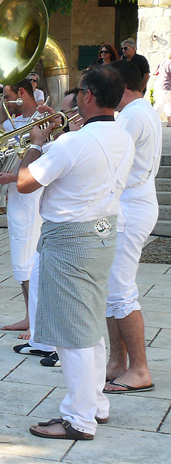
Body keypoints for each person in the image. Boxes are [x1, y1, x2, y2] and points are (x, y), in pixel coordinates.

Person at [18, 66, 133, 440]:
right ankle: (95, 404)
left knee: (72, 333)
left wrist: (36, 141)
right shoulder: (122, 135)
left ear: (87, 95)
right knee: (88, 327)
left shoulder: (74, 142)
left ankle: (79, 417)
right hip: (102, 234)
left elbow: (24, 183)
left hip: (69, 240)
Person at [104, 60, 161, 394]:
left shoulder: (132, 115)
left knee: (121, 290)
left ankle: (139, 369)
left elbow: (108, 155)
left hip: (131, 207)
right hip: (132, 204)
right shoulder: (139, 110)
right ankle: (117, 362)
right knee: (113, 289)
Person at [0, 79, 43, 333]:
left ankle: (35, 321)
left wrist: (13, 177)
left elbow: (43, 160)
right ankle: (29, 315)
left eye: (10, 95)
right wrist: (5, 100)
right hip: (17, 198)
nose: (6, 100)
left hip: (31, 198)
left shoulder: (42, 120)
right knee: (20, 260)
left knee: (28, 262)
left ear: (22, 93)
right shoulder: (18, 121)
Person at [153, 49, 171, 126]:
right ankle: (151, 119)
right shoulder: (170, 64)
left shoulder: (162, 62)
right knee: (160, 104)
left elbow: (155, 72)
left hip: (160, 85)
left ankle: (170, 122)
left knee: (168, 104)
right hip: (166, 87)